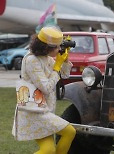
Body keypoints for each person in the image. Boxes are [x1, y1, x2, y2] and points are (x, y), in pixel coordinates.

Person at [12, 26, 76, 154]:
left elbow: (65, 75)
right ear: (46, 47)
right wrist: (57, 67)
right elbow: (46, 88)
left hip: (43, 111)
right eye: (57, 47)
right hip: (34, 112)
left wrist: (65, 60)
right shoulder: (31, 60)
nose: (59, 50)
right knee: (69, 131)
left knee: (49, 149)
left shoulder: (46, 58)